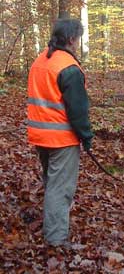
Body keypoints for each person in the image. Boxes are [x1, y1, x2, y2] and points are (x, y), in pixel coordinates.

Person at [27, 18, 93, 248]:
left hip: (39, 134)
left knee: (51, 181)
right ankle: (55, 239)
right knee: (60, 188)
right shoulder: (68, 67)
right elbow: (78, 110)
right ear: (72, 39)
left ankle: (52, 224)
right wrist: (86, 137)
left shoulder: (41, 59)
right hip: (61, 138)